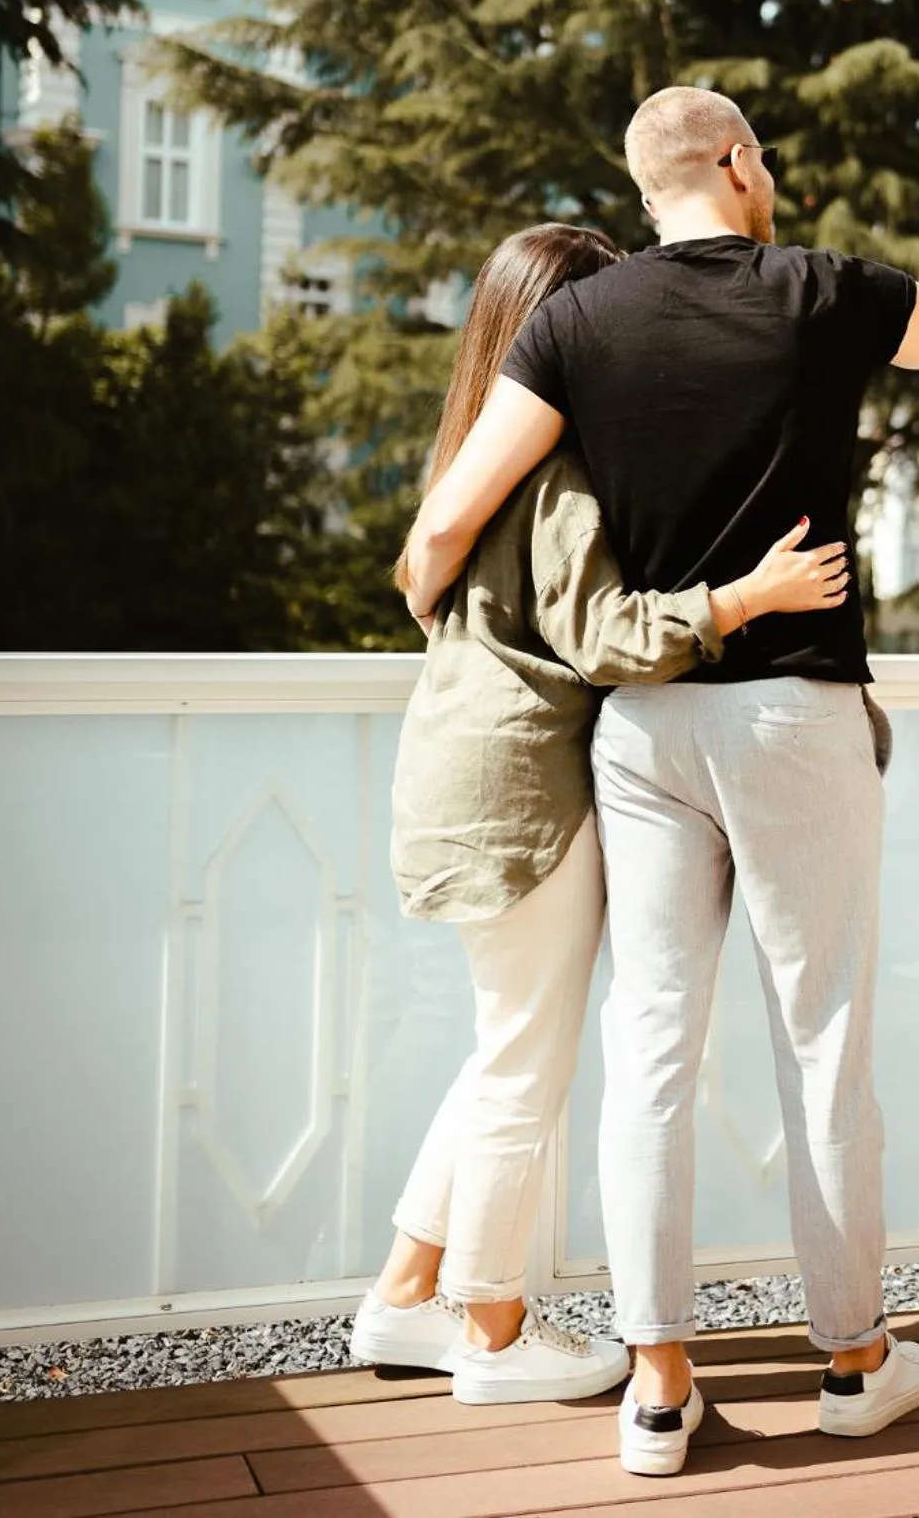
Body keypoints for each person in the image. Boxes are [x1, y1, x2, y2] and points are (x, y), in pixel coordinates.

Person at [398, 87, 919, 1475]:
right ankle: (853, 1360)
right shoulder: (820, 291)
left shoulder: (571, 323)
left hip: (641, 727)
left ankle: (657, 1387)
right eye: (764, 159)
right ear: (737, 164)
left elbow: (445, 522)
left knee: (649, 1050)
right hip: (793, 711)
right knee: (823, 1040)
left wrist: (442, 618)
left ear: (645, 189)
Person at [352, 222, 850, 1407]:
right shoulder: (559, 474)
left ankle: (405, 1292)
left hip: (457, 771)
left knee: (506, 1043)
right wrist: (745, 597)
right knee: (525, 1065)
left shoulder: (474, 463)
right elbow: (604, 636)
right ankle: (490, 1329)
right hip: (522, 788)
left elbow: (431, 573)